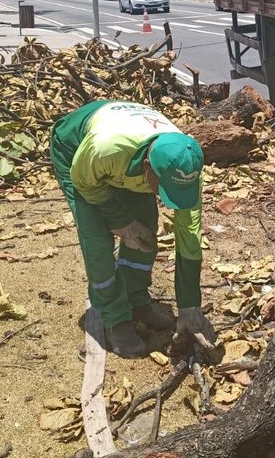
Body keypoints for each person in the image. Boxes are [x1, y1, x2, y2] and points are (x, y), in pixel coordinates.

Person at [50, 100, 216, 357]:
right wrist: (121, 222)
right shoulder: (104, 147)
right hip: (76, 154)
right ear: (148, 169)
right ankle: (116, 319)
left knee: (145, 231)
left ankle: (136, 300)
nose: (166, 198)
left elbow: (189, 238)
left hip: (127, 160)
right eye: (164, 190)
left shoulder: (186, 165)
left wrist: (190, 305)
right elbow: (84, 182)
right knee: (97, 238)